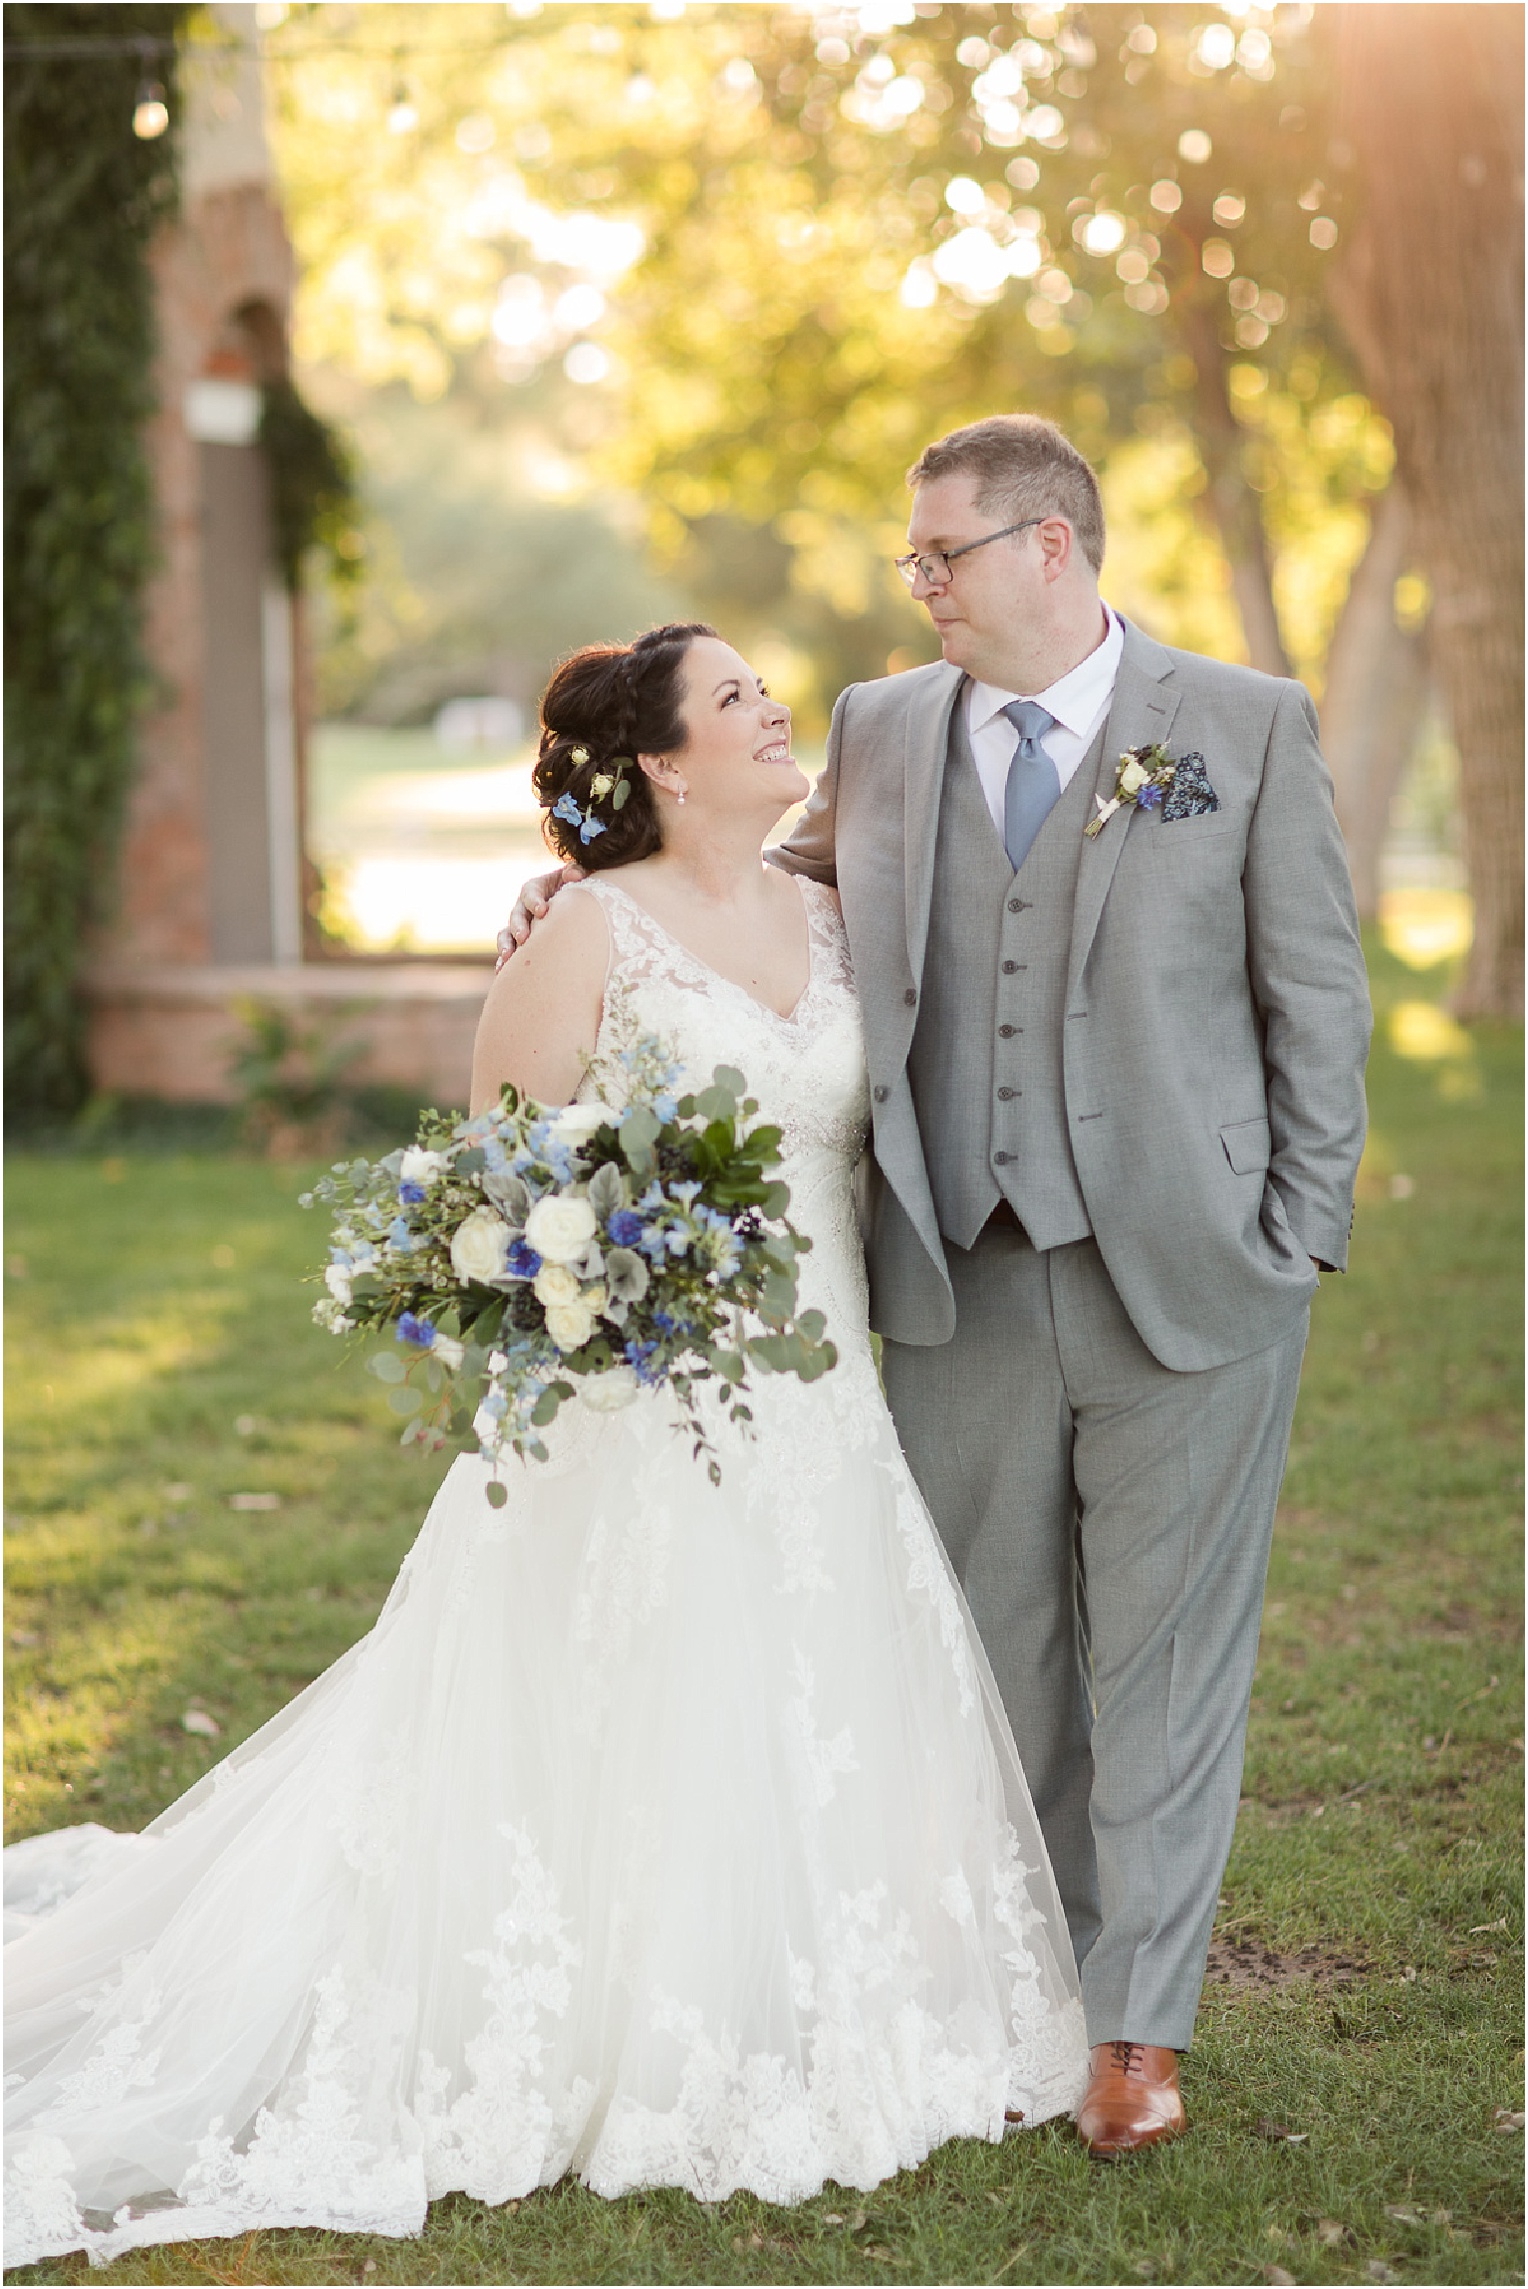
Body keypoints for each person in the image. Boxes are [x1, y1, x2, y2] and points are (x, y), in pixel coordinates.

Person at [3, 622, 1089, 2274]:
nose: (772, 704)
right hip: (638, 1413)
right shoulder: (586, 932)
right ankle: (593, 2014)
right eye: (735, 697)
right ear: (661, 759)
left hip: (822, 1409)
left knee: (808, 1692)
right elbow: (503, 1193)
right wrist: (615, 1288)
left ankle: (793, 1991)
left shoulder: (837, 909)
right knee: (619, 1703)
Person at [499, 417, 1373, 2156]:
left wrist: (1299, 1228)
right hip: (952, 1274)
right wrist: (585, 882)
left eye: (941, 557)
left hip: (1193, 1276)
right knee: (994, 1650)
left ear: (1051, 548)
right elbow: (796, 892)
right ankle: (1030, 1975)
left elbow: (1318, 998)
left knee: (1169, 1659)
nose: (917, 586)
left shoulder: (1242, 728)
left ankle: (1137, 2027)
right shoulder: (882, 730)